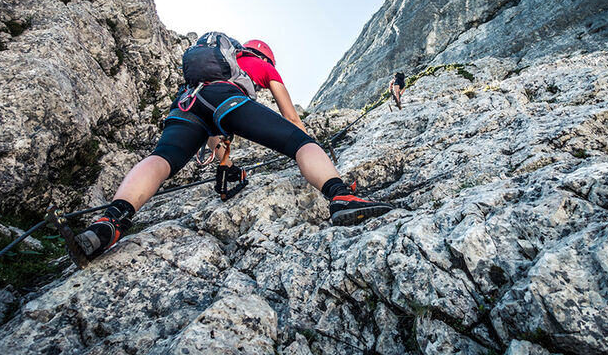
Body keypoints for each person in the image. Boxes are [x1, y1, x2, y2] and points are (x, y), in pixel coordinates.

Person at [74, 35, 393, 261]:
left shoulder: (221, 62)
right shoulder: (263, 67)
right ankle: (340, 196)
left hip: (187, 102)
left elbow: (216, 132)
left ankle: (110, 222)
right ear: (266, 58)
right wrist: (309, 144)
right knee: (301, 144)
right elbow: (290, 116)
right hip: (225, 97)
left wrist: (225, 167)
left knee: (162, 158)